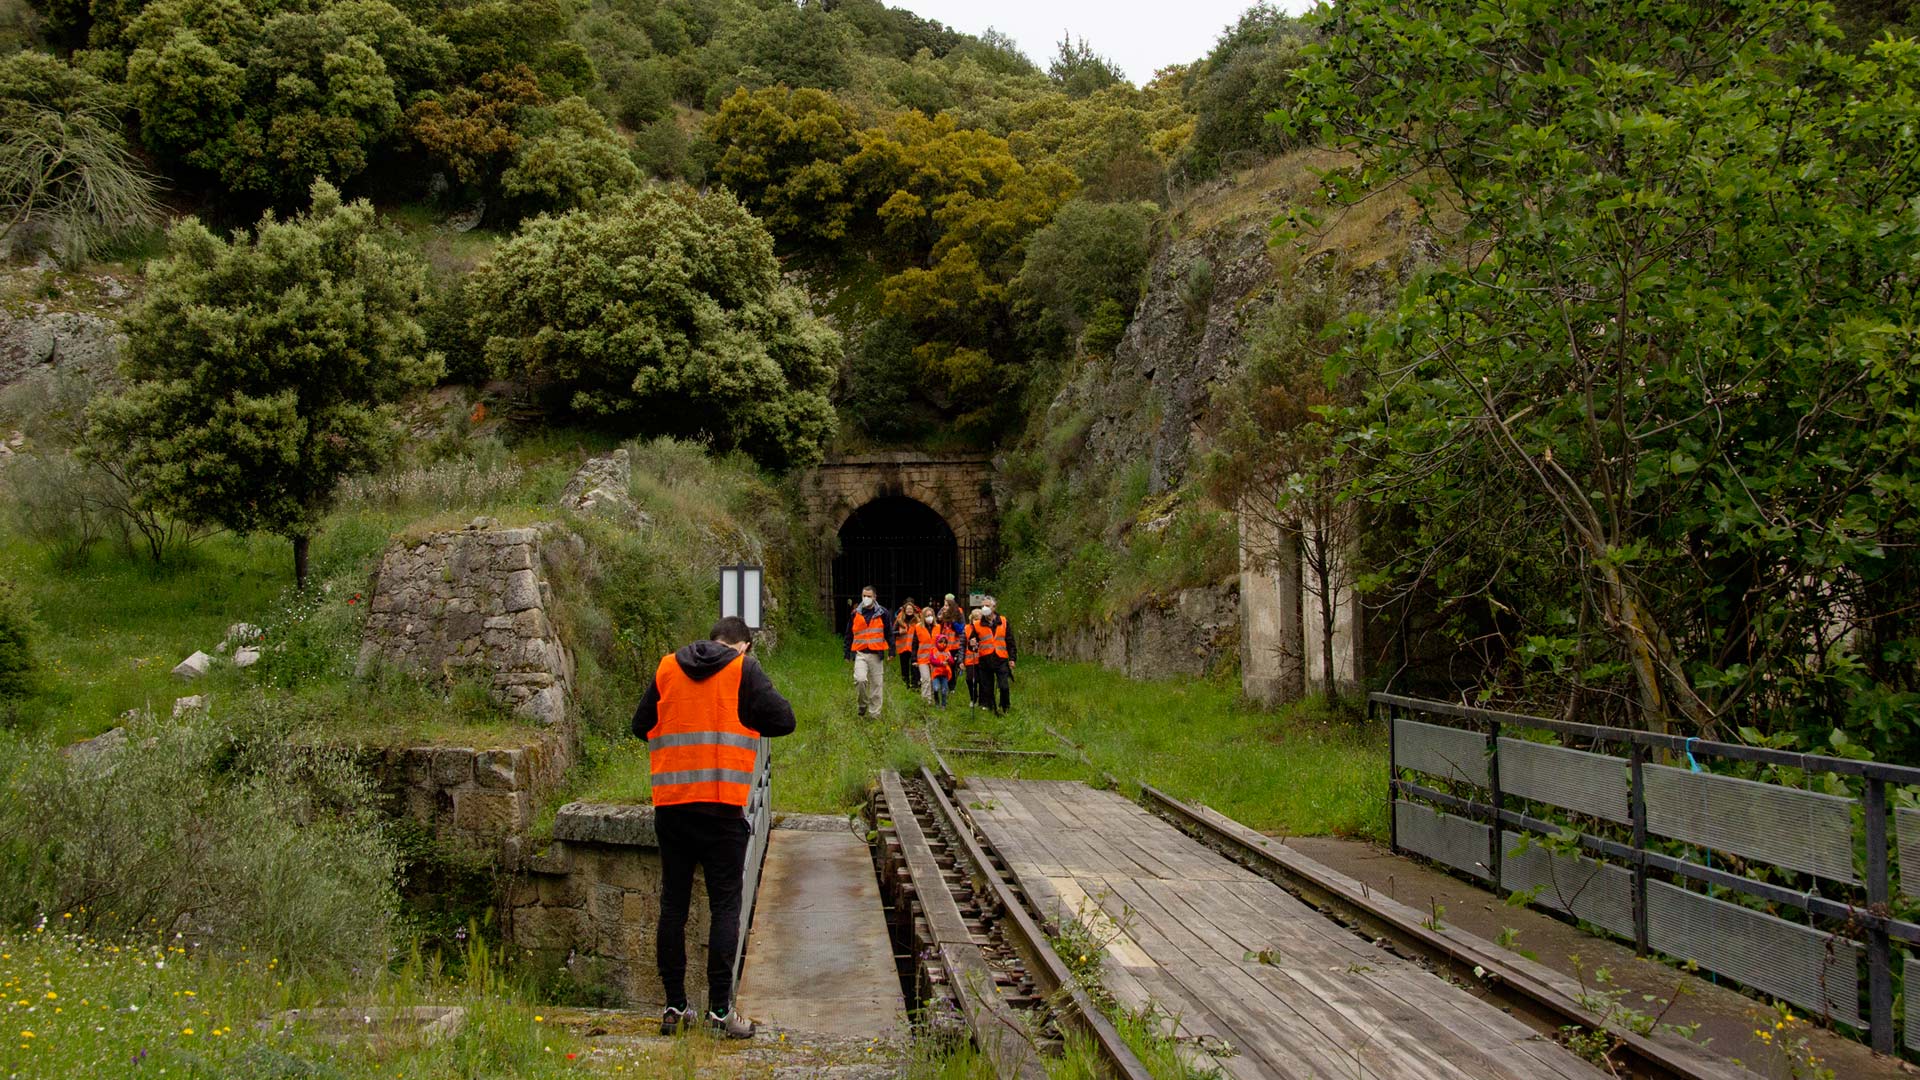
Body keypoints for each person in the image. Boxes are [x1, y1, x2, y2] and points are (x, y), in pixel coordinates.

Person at [632, 616, 795, 1039]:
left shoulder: (667, 667)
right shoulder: (743, 669)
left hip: (672, 807)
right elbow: (784, 720)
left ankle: (674, 1008)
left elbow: (640, 726)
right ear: (743, 646)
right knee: (725, 907)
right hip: (722, 807)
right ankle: (720, 1013)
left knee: (674, 906)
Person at [843, 585, 893, 718]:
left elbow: (889, 633)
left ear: (875, 597)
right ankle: (862, 705)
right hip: (860, 653)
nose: (866, 598)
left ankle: (874, 715)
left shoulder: (883, 613)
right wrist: (847, 653)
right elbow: (849, 634)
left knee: (877, 686)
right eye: (864, 596)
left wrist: (892, 651)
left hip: (876, 655)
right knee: (860, 680)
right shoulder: (855, 613)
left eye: (869, 596)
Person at [970, 596, 1016, 714]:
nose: (984, 608)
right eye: (983, 606)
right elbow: (972, 643)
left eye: (987, 606)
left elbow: (1010, 641)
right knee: (987, 688)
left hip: (1001, 658)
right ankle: (991, 708)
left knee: (1004, 686)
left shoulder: (1003, 621)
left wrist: (1012, 658)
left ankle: (1005, 706)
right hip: (985, 659)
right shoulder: (977, 624)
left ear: (994, 607)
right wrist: (972, 644)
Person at [913, 607, 939, 702]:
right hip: (922, 659)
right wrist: (914, 659)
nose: (930, 617)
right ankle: (925, 701)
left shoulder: (938, 627)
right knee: (925, 679)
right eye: (927, 616)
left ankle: (932, 699)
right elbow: (914, 644)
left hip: (935, 659)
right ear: (923, 617)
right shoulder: (918, 627)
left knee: (933, 680)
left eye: (931, 615)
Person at [929, 621, 956, 707]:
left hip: (944, 674)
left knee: (944, 690)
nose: (943, 644)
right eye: (941, 642)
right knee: (936, 689)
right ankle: (937, 703)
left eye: (944, 642)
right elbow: (932, 660)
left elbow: (952, 662)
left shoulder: (947, 652)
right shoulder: (934, 650)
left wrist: (949, 660)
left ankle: (943, 705)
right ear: (937, 642)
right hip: (936, 674)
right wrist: (941, 663)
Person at [894, 600, 919, 687]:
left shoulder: (918, 621)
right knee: (904, 668)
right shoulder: (899, 620)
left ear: (913, 610)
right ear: (904, 610)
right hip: (903, 648)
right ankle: (906, 685)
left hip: (914, 648)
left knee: (914, 667)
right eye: (907, 609)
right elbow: (892, 632)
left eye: (911, 609)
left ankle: (915, 685)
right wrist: (899, 632)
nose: (909, 611)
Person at [962, 607, 982, 708]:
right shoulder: (966, 629)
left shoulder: (984, 629)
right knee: (970, 679)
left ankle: (982, 700)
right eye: (975, 619)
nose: (976, 621)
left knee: (982, 680)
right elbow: (962, 645)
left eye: (978, 619)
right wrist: (961, 660)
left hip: (982, 659)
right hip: (970, 660)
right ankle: (973, 698)